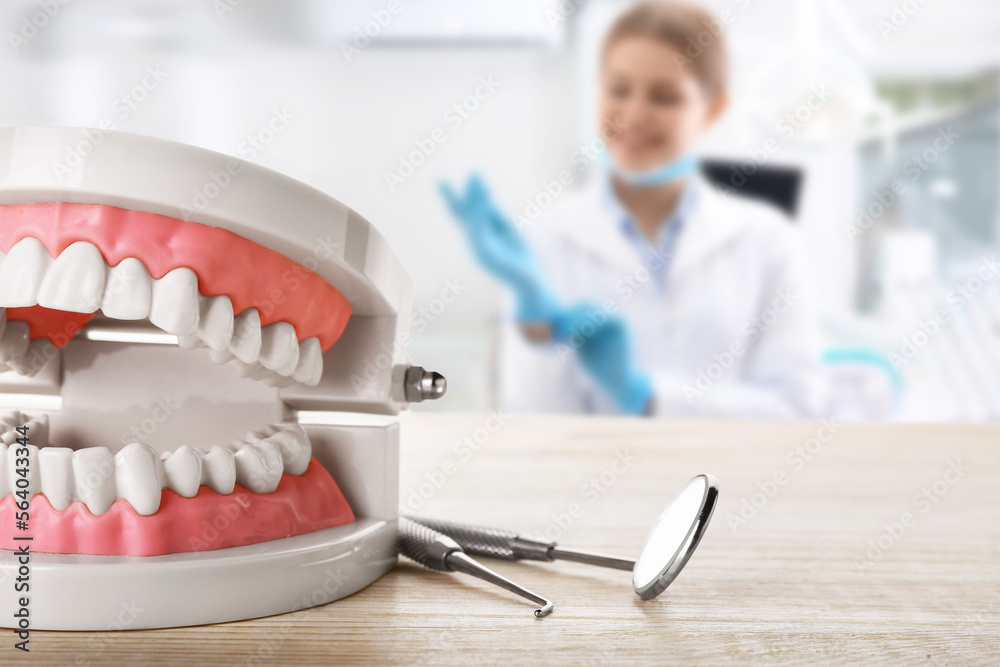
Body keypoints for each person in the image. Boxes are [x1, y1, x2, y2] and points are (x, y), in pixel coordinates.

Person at [440, 0, 824, 419]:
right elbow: (528, 420)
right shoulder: (545, 237)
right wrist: (536, 324)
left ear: (712, 109)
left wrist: (644, 396)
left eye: (664, 97)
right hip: (590, 481)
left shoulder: (767, 240)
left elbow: (796, 409)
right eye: (618, 90)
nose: (634, 115)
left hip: (728, 479)